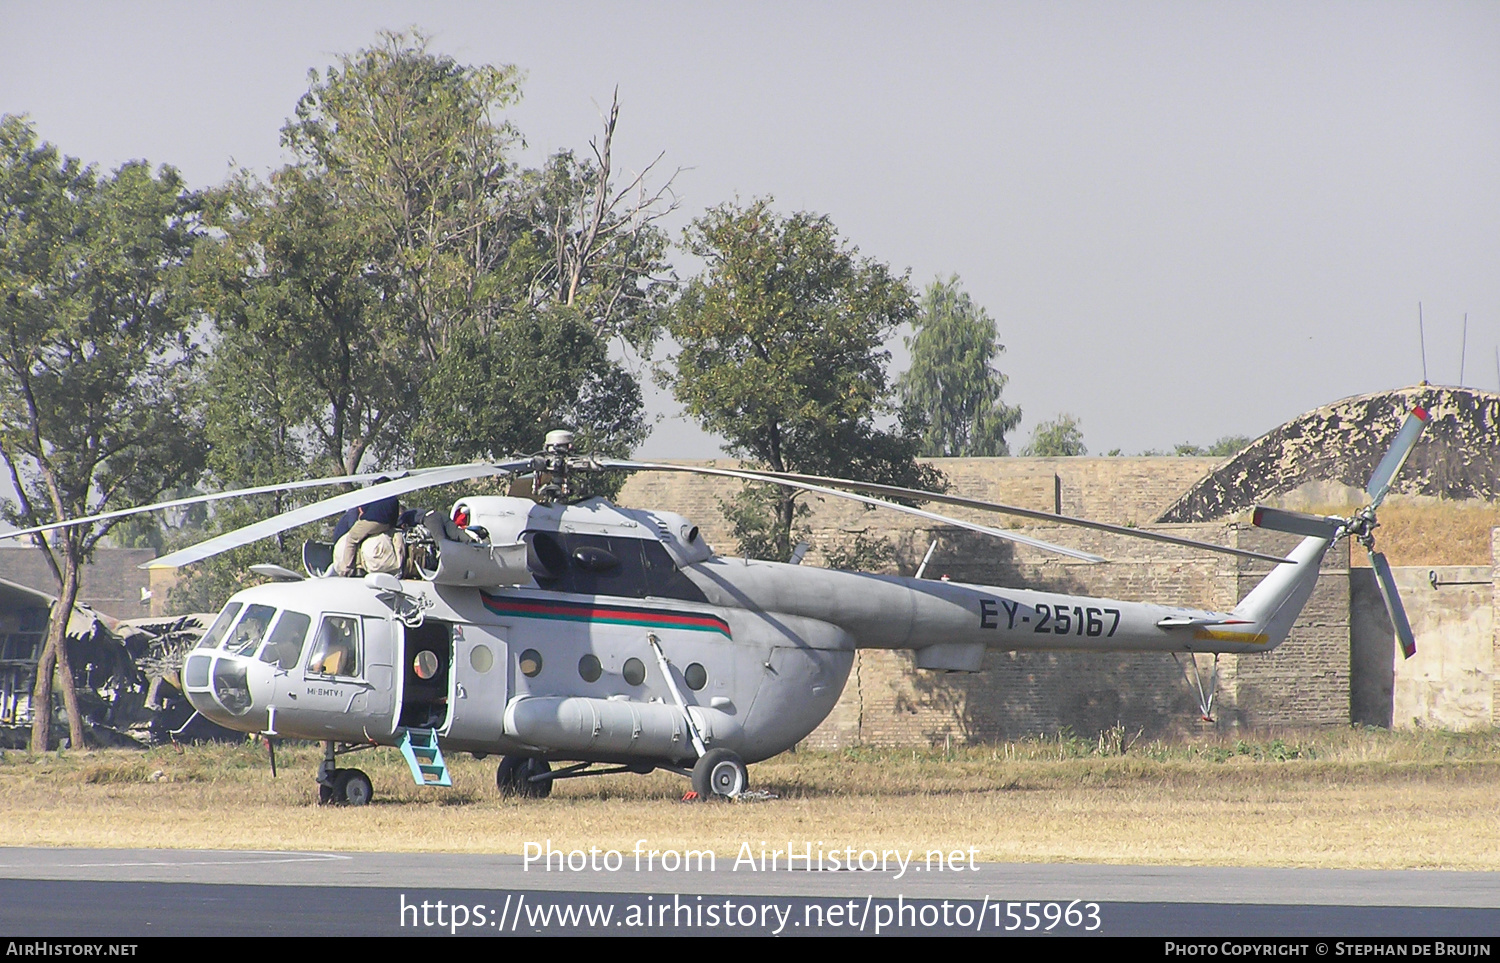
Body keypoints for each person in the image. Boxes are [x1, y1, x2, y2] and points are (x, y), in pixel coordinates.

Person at [332, 479, 400, 576]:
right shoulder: (394, 499)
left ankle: (346, 569)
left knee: (351, 538)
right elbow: (395, 519)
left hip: (371, 521)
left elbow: (362, 510)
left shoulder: (374, 496)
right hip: (386, 525)